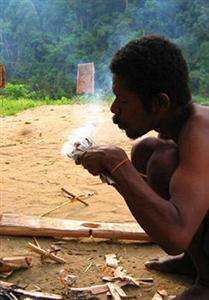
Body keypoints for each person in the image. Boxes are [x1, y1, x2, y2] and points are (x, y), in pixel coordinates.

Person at [75, 35, 209, 300]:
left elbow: (175, 236)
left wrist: (118, 164)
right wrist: (116, 173)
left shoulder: (200, 134)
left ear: (160, 103)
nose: (114, 109)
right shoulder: (173, 130)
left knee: (154, 160)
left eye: (123, 101)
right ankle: (195, 262)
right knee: (150, 153)